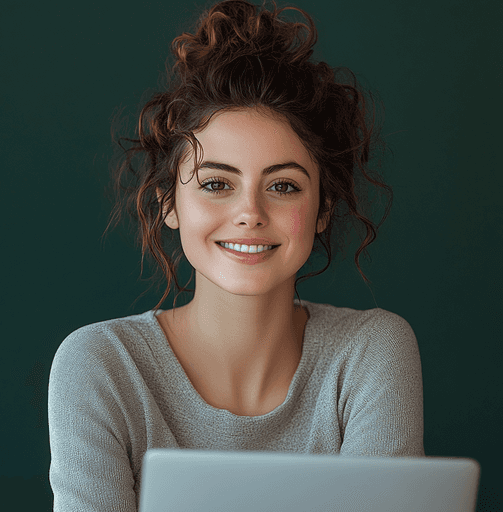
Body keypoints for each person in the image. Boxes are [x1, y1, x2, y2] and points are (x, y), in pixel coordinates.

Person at [48, 1, 425, 510]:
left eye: (284, 186)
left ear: (321, 212)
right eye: (217, 183)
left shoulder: (370, 354)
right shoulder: (100, 366)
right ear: (169, 205)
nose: (249, 212)